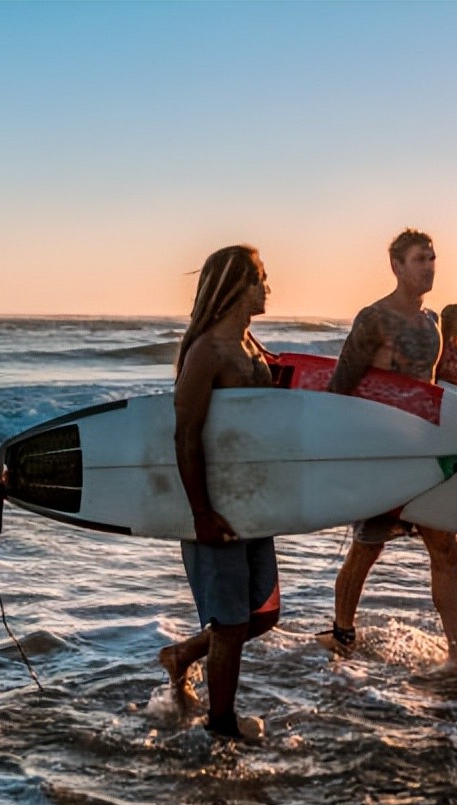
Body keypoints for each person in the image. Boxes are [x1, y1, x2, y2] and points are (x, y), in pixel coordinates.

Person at [317, 229, 457, 661]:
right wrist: (342, 456)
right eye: (420, 259)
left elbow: (435, 390)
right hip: (381, 453)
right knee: (367, 548)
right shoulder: (374, 319)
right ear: (397, 266)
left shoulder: (432, 321)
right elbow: (340, 387)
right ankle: (342, 633)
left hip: (422, 451)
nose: (429, 267)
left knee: (447, 549)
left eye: (432, 258)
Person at [158, 245, 281, 740]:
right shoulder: (207, 352)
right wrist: (201, 514)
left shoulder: (249, 344)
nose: (267, 288)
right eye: (260, 279)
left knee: (262, 615)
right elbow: (185, 436)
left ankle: (183, 654)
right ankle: (222, 727)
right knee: (231, 625)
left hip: (252, 503)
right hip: (216, 506)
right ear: (236, 287)